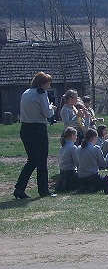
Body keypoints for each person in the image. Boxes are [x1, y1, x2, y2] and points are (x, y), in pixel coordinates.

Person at [14, 71, 57, 199]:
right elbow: (47, 114)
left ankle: (19, 188)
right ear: (43, 84)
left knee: (32, 160)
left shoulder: (26, 93)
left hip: (25, 128)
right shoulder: (41, 94)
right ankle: (43, 190)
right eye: (48, 83)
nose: (49, 86)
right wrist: (51, 108)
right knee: (42, 161)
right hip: (38, 129)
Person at [77, 128, 108, 193]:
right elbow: (104, 164)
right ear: (93, 137)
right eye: (96, 137)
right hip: (92, 178)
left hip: (81, 178)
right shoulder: (95, 148)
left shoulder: (78, 148)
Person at [56, 127, 80, 192]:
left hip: (62, 173)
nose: (76, 137)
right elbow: (77, 163)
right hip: (71, 174)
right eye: (76, 135)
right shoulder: (73, 147)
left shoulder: (62, 147)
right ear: (72, 135)